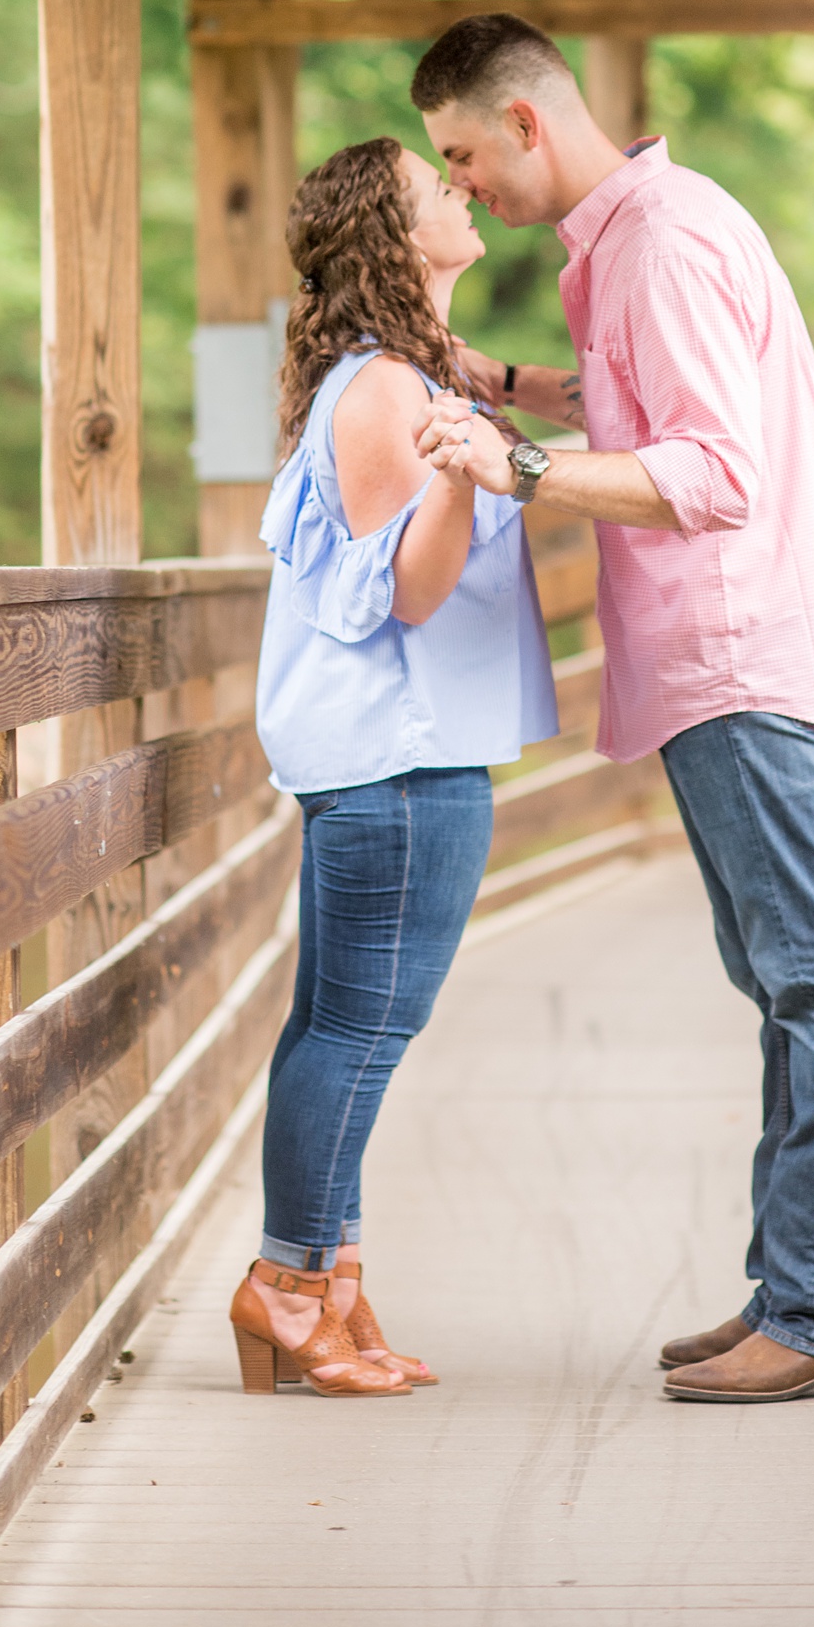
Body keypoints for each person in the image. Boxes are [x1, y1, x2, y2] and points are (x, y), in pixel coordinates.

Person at [408, 13, 814, 1405]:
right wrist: (504, 386)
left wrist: (515, 464)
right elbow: (641, 396)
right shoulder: (629, 241)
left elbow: (711, 467)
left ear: (524, 121)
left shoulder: (664, 237)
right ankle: (797, 1287)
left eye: (461, 156)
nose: (461, 191)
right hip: (710, 657)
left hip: (738, 644)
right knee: (782, 980)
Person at [229, 135, 556, 1400]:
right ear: (392, 231)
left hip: (402, 754)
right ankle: (288, 1286)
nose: (462, 189)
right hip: (398, 759)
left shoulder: (411, 373)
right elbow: (412, 592)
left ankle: (330, 1285)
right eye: (438, 187)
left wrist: (489, 408)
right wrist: (468, 474)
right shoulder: (381, 394)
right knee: (359, 1032)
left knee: (340, 1027)